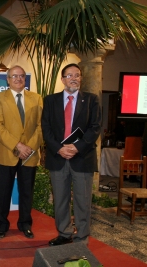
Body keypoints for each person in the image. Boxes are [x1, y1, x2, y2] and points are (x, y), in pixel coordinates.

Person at [41, 63, 102, 246]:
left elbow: (95, 127)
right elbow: (46, 128)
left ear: (81, 78)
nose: (74, 78)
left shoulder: (92, 100)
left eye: (77, 75)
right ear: (63, 79)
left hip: (82, 158)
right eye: (69, 75)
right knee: (60, 199)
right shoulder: (50, 100)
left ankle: (82, 237)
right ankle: (64, 233)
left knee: (83, 201)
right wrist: (59, 148)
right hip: (58, 157)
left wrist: (77, 147)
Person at [0, 65, 43, 240]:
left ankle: (25, 224)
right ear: (8, 79)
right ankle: (1, 225)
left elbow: (40, 125)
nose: (18, 79)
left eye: (21, 76)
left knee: (27, 192)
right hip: (8, 153)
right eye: (14, 76)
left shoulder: (37, 98)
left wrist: (29, 147)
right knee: (3, 193)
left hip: (30, 154)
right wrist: (17, 146)